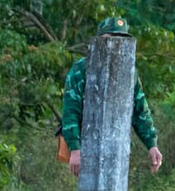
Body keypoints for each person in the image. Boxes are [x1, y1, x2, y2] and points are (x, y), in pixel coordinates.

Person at [59, 15, 163, 174]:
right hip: (85, 145)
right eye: (110, 39)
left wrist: (152, 145)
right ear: (99, 41)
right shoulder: (82, 69)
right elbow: (70, 109)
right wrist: (75, 149)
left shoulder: (129, 71)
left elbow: (140, 110)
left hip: (117, 148)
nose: (115, 44)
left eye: (120, 39)